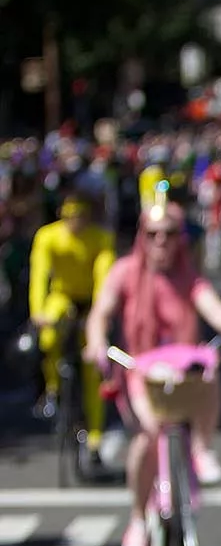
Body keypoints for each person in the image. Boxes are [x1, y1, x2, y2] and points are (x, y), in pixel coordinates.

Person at [85, 199, 221, 546]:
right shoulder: (125, 271)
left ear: (180, 239)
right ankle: (138, 518)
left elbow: (211, 305)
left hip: (181, 370)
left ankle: (202, 448)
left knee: (210, 374)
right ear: (142, 236)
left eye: (170, 234)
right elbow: (101, 311)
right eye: (153, 234)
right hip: (139, 372)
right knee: (148, 435)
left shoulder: (188, 275)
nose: (161, 241)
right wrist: (96, 341)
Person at [28, 191, 115, 465]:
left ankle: (96, 436)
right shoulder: (47, 237)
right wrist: (38, 312)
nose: (73, 222)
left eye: (78, 216)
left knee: (93, 367)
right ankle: (53, 389)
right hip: (62, 299)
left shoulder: (101, 239)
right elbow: (39, 275)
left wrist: (100, 315)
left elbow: (104, 278)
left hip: (91, 303)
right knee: (49, 337)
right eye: (68, 216)